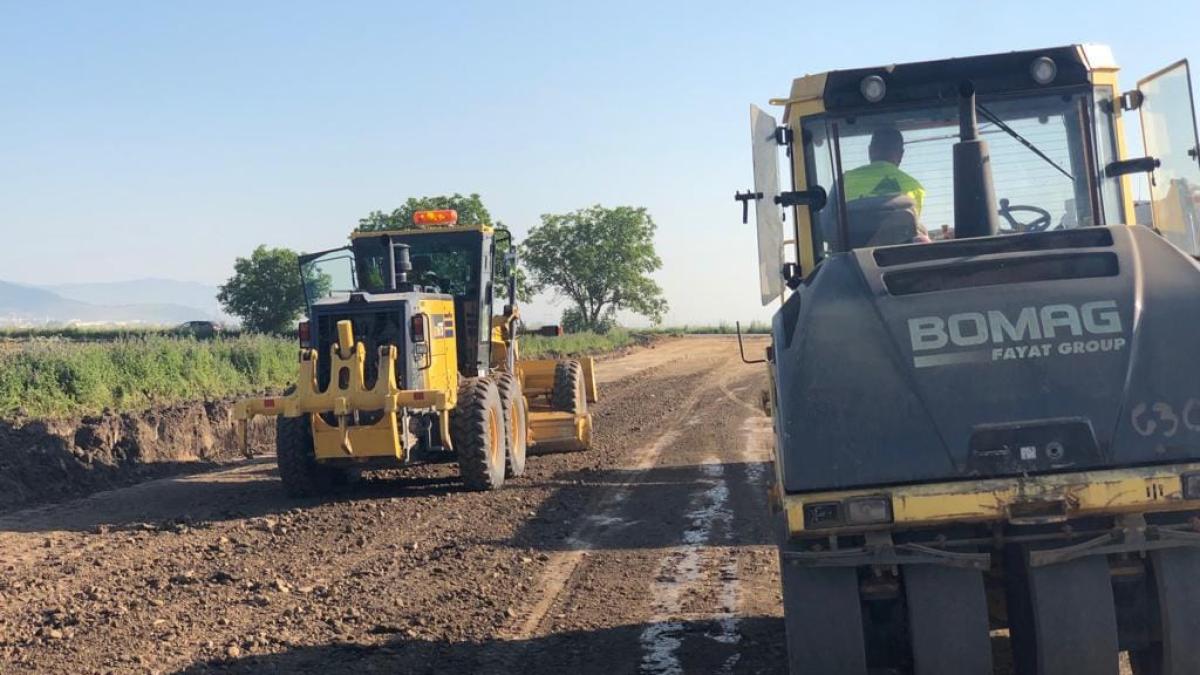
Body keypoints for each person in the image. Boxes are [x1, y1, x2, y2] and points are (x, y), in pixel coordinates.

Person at [843, 127, 926, 215]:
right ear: (901, 154)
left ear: (870, 151)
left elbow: (833, 219)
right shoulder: (915, 188)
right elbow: (913, 221)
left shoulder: (844, 180)